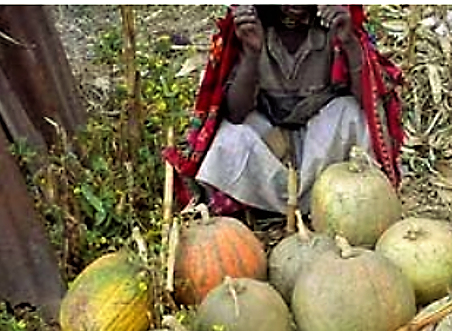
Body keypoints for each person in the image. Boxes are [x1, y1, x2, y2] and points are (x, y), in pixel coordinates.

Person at [163, 5, 404, 216]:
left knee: (350, 113)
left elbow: (370, 102)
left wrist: (349, 42)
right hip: (270, 145)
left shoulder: (336, 29)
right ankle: (282, 204)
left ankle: (323, 201)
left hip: (322, 148)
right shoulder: (251, 28)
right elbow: (236, 113)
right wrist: (252, 53)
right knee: (229, 138)